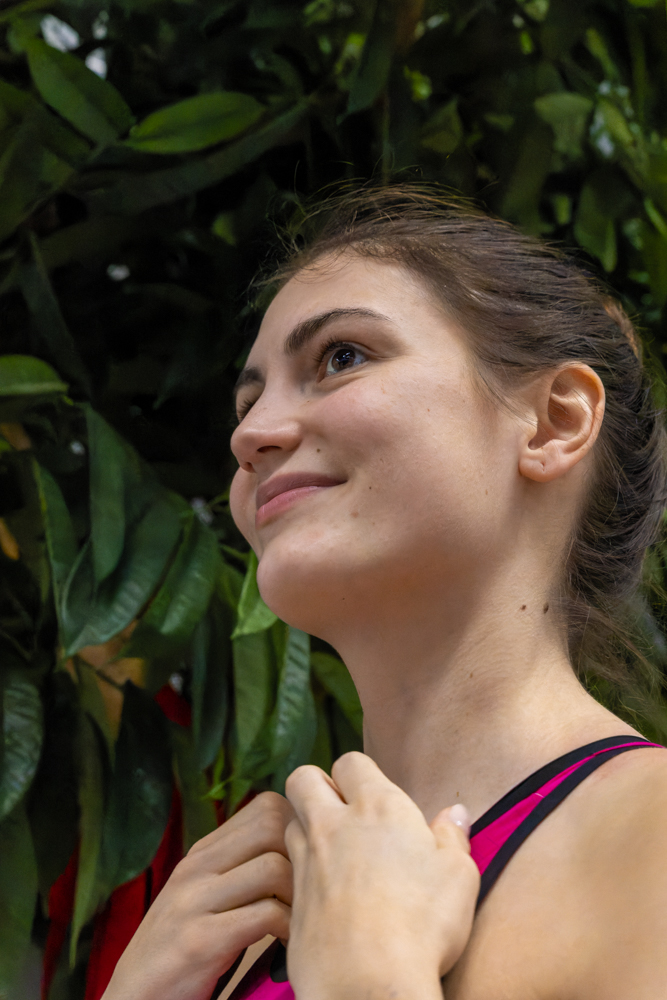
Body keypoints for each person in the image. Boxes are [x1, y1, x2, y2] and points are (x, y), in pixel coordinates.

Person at [102, 185, 667, 1000]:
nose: (250, 434)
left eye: (341, 357)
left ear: (553, 421)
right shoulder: (252, 915)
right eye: (249, 400)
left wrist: (367, 978)